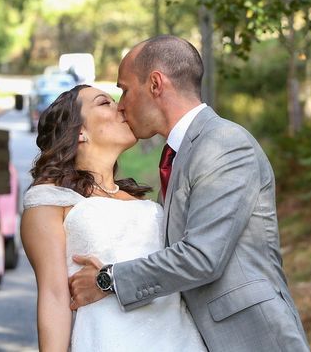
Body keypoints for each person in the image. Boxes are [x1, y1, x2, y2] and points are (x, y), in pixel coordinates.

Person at [68, 35, 309, 352]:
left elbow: (201, 257)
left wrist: (108, 280)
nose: (121, 104)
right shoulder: (179, 154)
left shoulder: (225, 143)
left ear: (156, 84)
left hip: (255, 338)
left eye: (125, 89)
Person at [21, 85, 208, 352]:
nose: (120, 107)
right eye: (104, 103)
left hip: (178, 338)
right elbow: (53, 298)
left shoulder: (142, 201)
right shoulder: (49, 200)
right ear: (79, 132)